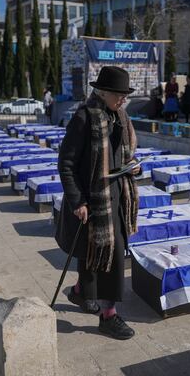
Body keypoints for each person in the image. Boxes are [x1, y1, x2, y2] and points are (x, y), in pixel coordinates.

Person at [56, 66, 140, 340]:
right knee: (106, 258)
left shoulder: (121, 117)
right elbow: (66, 164)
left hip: (116, 197)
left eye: (125, 95)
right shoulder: (83, 118)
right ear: (102, 92)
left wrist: (133, 168)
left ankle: (81, 292)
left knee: (100, 256)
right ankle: (109, 316)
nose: (123, 99)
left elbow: (123, 157)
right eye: (119, 94)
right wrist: (77, 201)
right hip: (92, 201)